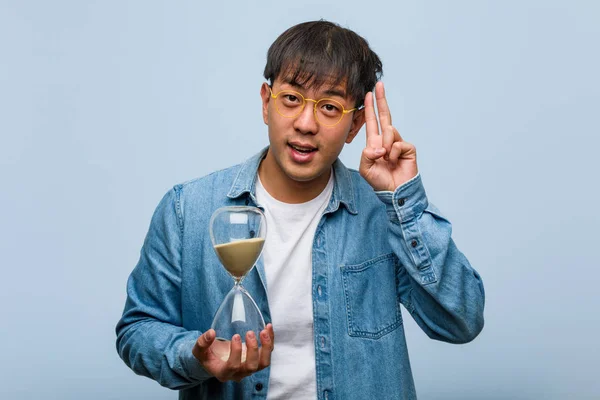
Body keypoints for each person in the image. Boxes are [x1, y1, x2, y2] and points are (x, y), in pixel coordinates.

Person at [116, 20, 485, 400]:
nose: (306, 124)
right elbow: (137, 329)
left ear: (355, 123)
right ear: (266, 102)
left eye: (329, 107)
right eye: (291, 99)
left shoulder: (383, 212)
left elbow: (462, 321)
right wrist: (196, 356)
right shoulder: (187, 210)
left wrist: (404, 202)